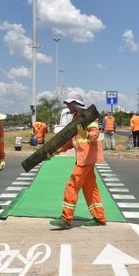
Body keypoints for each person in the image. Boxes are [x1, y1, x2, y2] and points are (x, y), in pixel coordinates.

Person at [50, 90, 107, 229]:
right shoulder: (76, 118)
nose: (67, 106)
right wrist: (57, 150)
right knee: (90, 188)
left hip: (86, 158)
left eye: (69, 103)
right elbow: (71, 140)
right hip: (84, 158)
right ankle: (99, 217)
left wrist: (86, 133)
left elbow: (94, 134)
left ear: (75, 104)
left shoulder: (88, 117)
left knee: (72, 185)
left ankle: (66, 218)